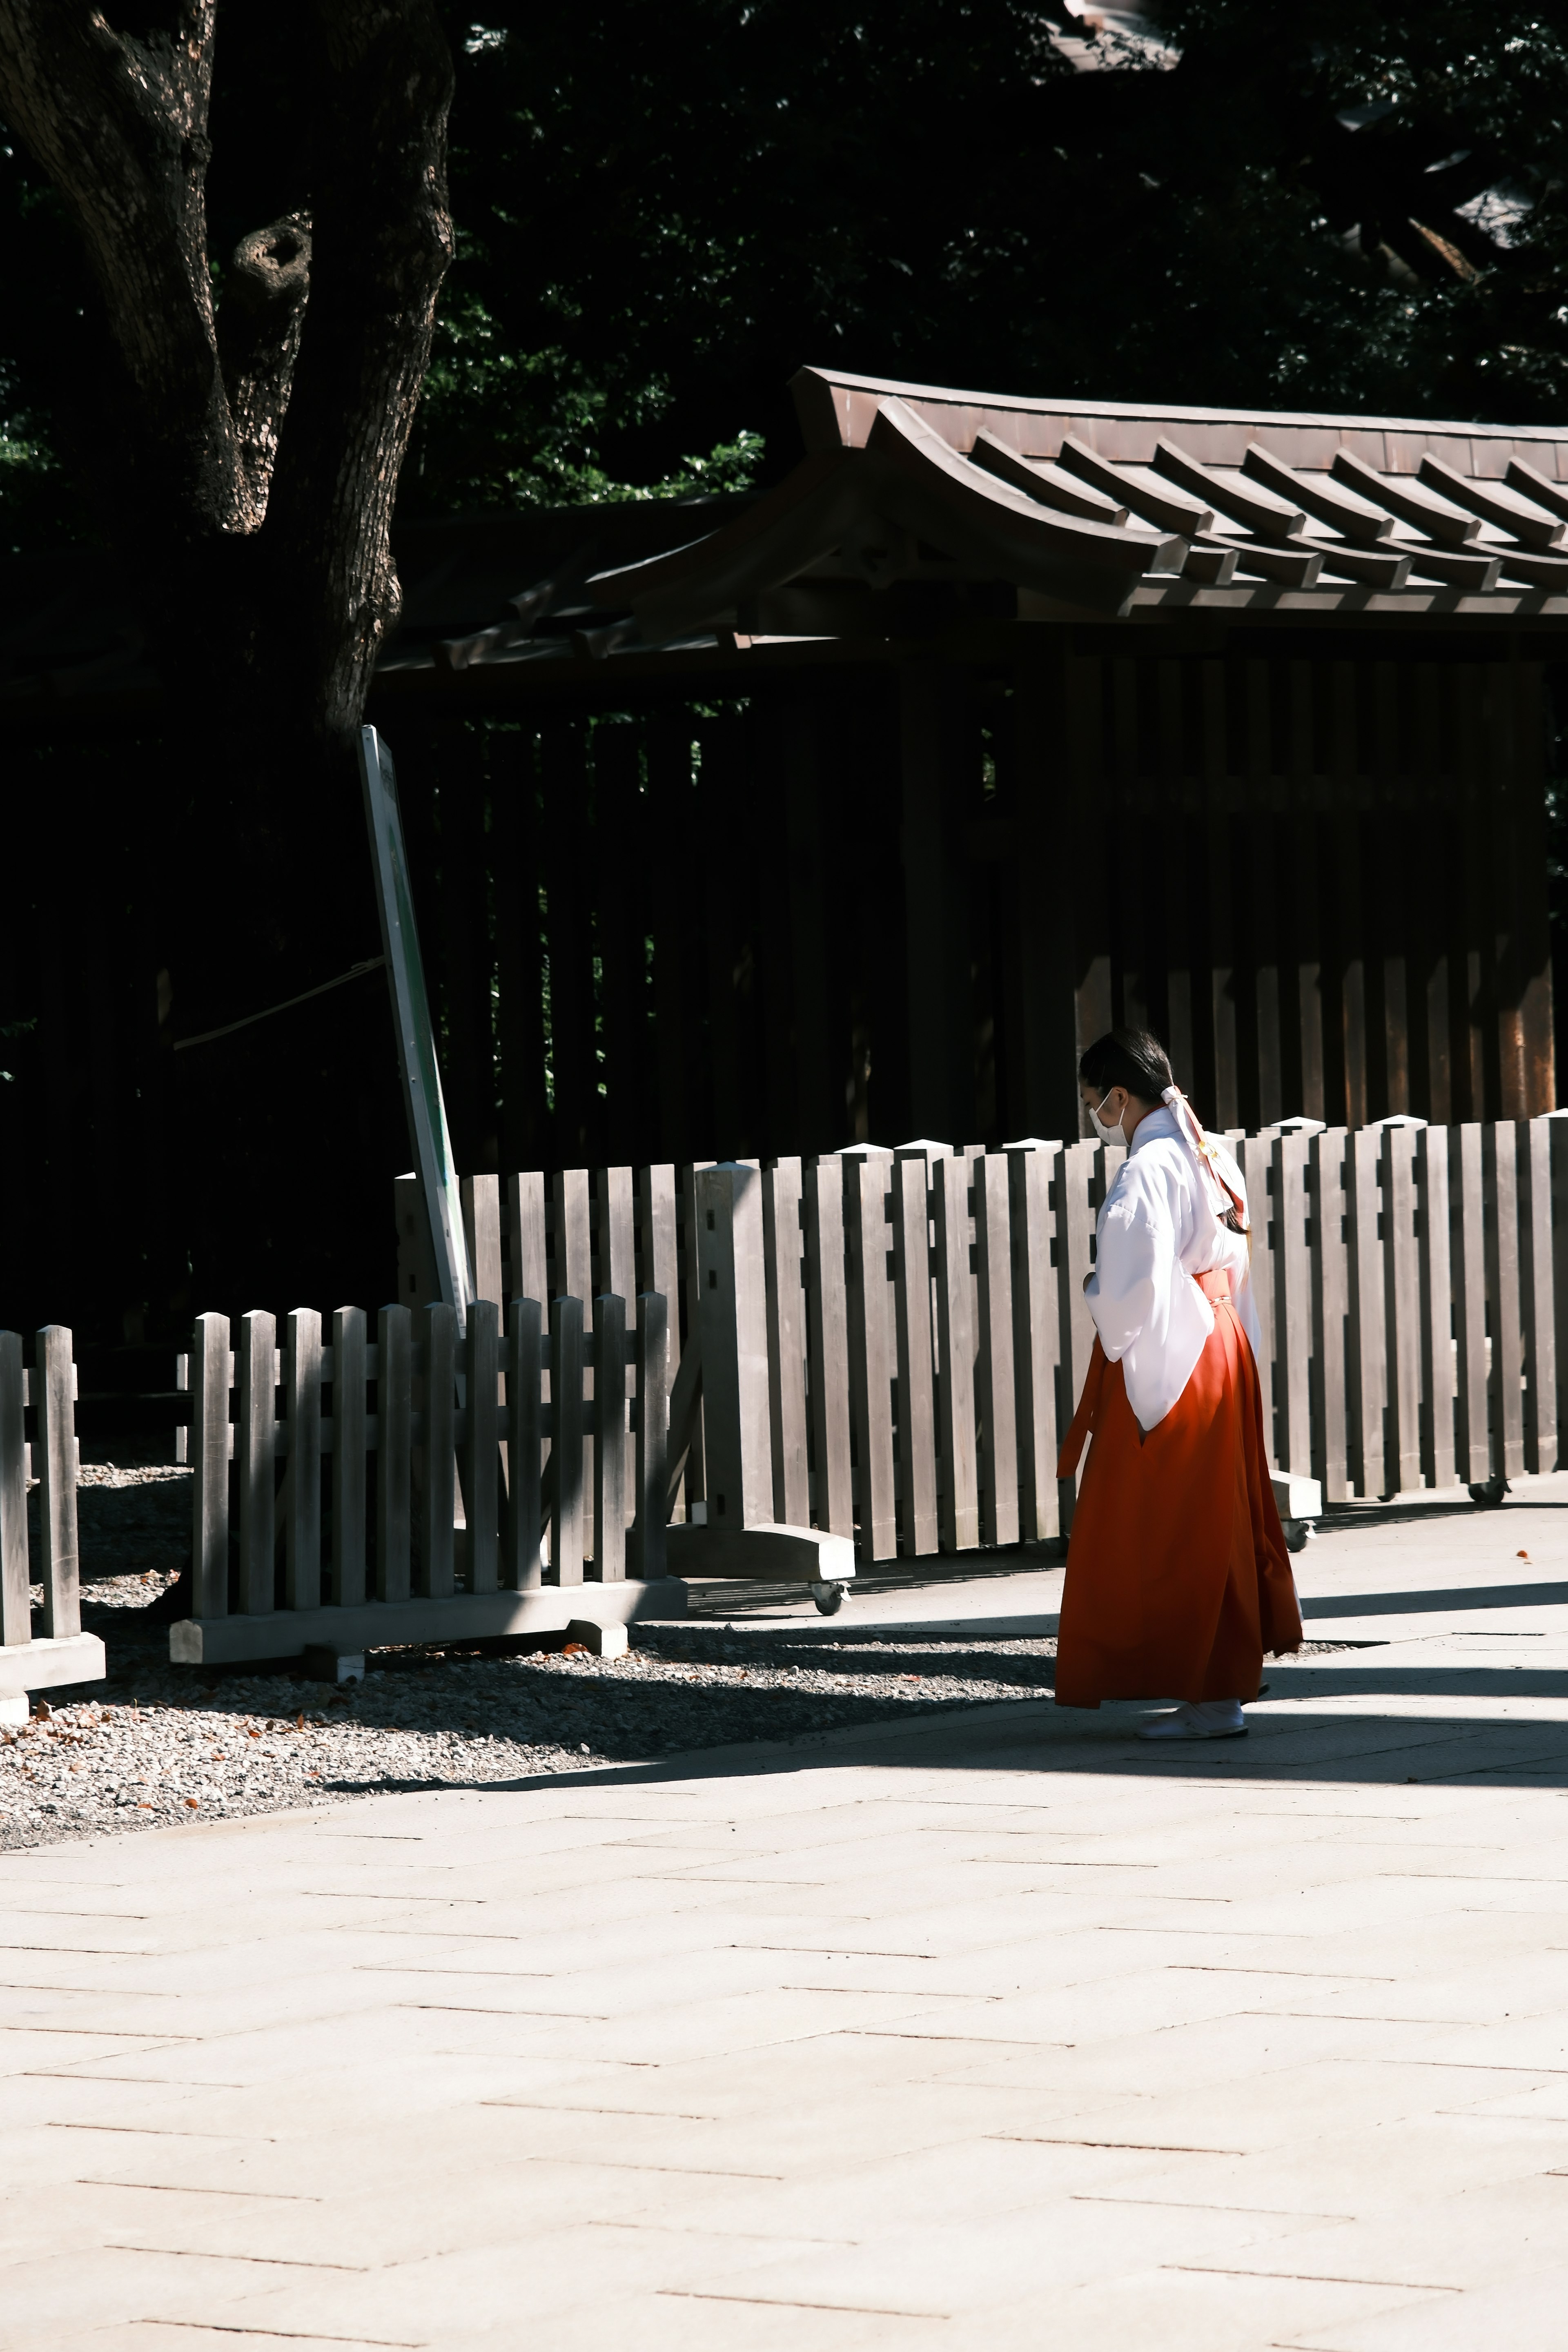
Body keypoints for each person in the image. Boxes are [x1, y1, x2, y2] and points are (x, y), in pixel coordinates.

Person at [1054, 1028, 1302, 1738]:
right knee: (1216, 1514)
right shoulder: (1209, 1150)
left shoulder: (1150, 1166)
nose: (1095, 1115)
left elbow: (1131, 1284)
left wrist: (1101, 1296)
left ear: (1119, 1098)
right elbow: (1232, 1258)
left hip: (1183, 1348)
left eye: (1093, 1102)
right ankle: (1213, 1684)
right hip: (1222, 1335)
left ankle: (1212, 1692)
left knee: (1175, 1523)